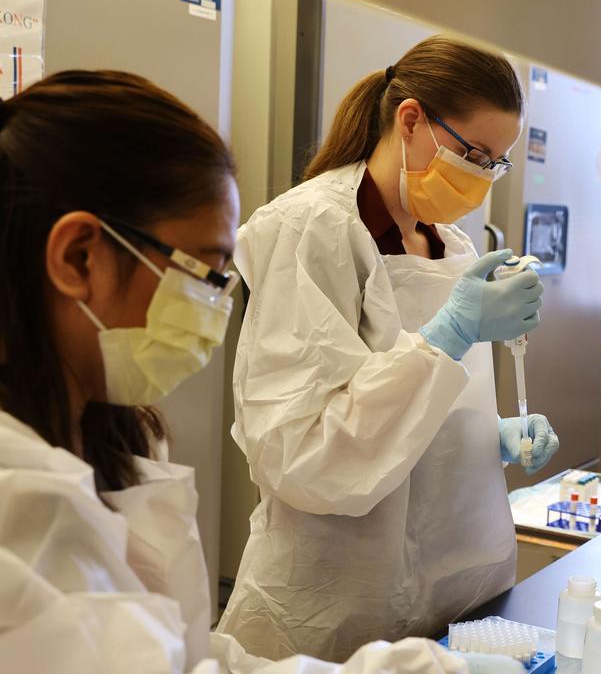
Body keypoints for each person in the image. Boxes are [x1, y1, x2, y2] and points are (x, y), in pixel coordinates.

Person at [0, 71, 500, 674]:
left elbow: (164, 647)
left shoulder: (95, 427)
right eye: (206, 273)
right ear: (78, 258)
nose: (217, 304)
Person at [218, 36, 560, 661]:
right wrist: (448, 336)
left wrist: (488, 431)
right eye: (475, 153)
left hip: (456, 580)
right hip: (334, 600)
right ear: (411, 120)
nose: (483, 177)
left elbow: (423, 402)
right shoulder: (311, 229)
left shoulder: (454, 246)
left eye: (497, 162)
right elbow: (305, 454)